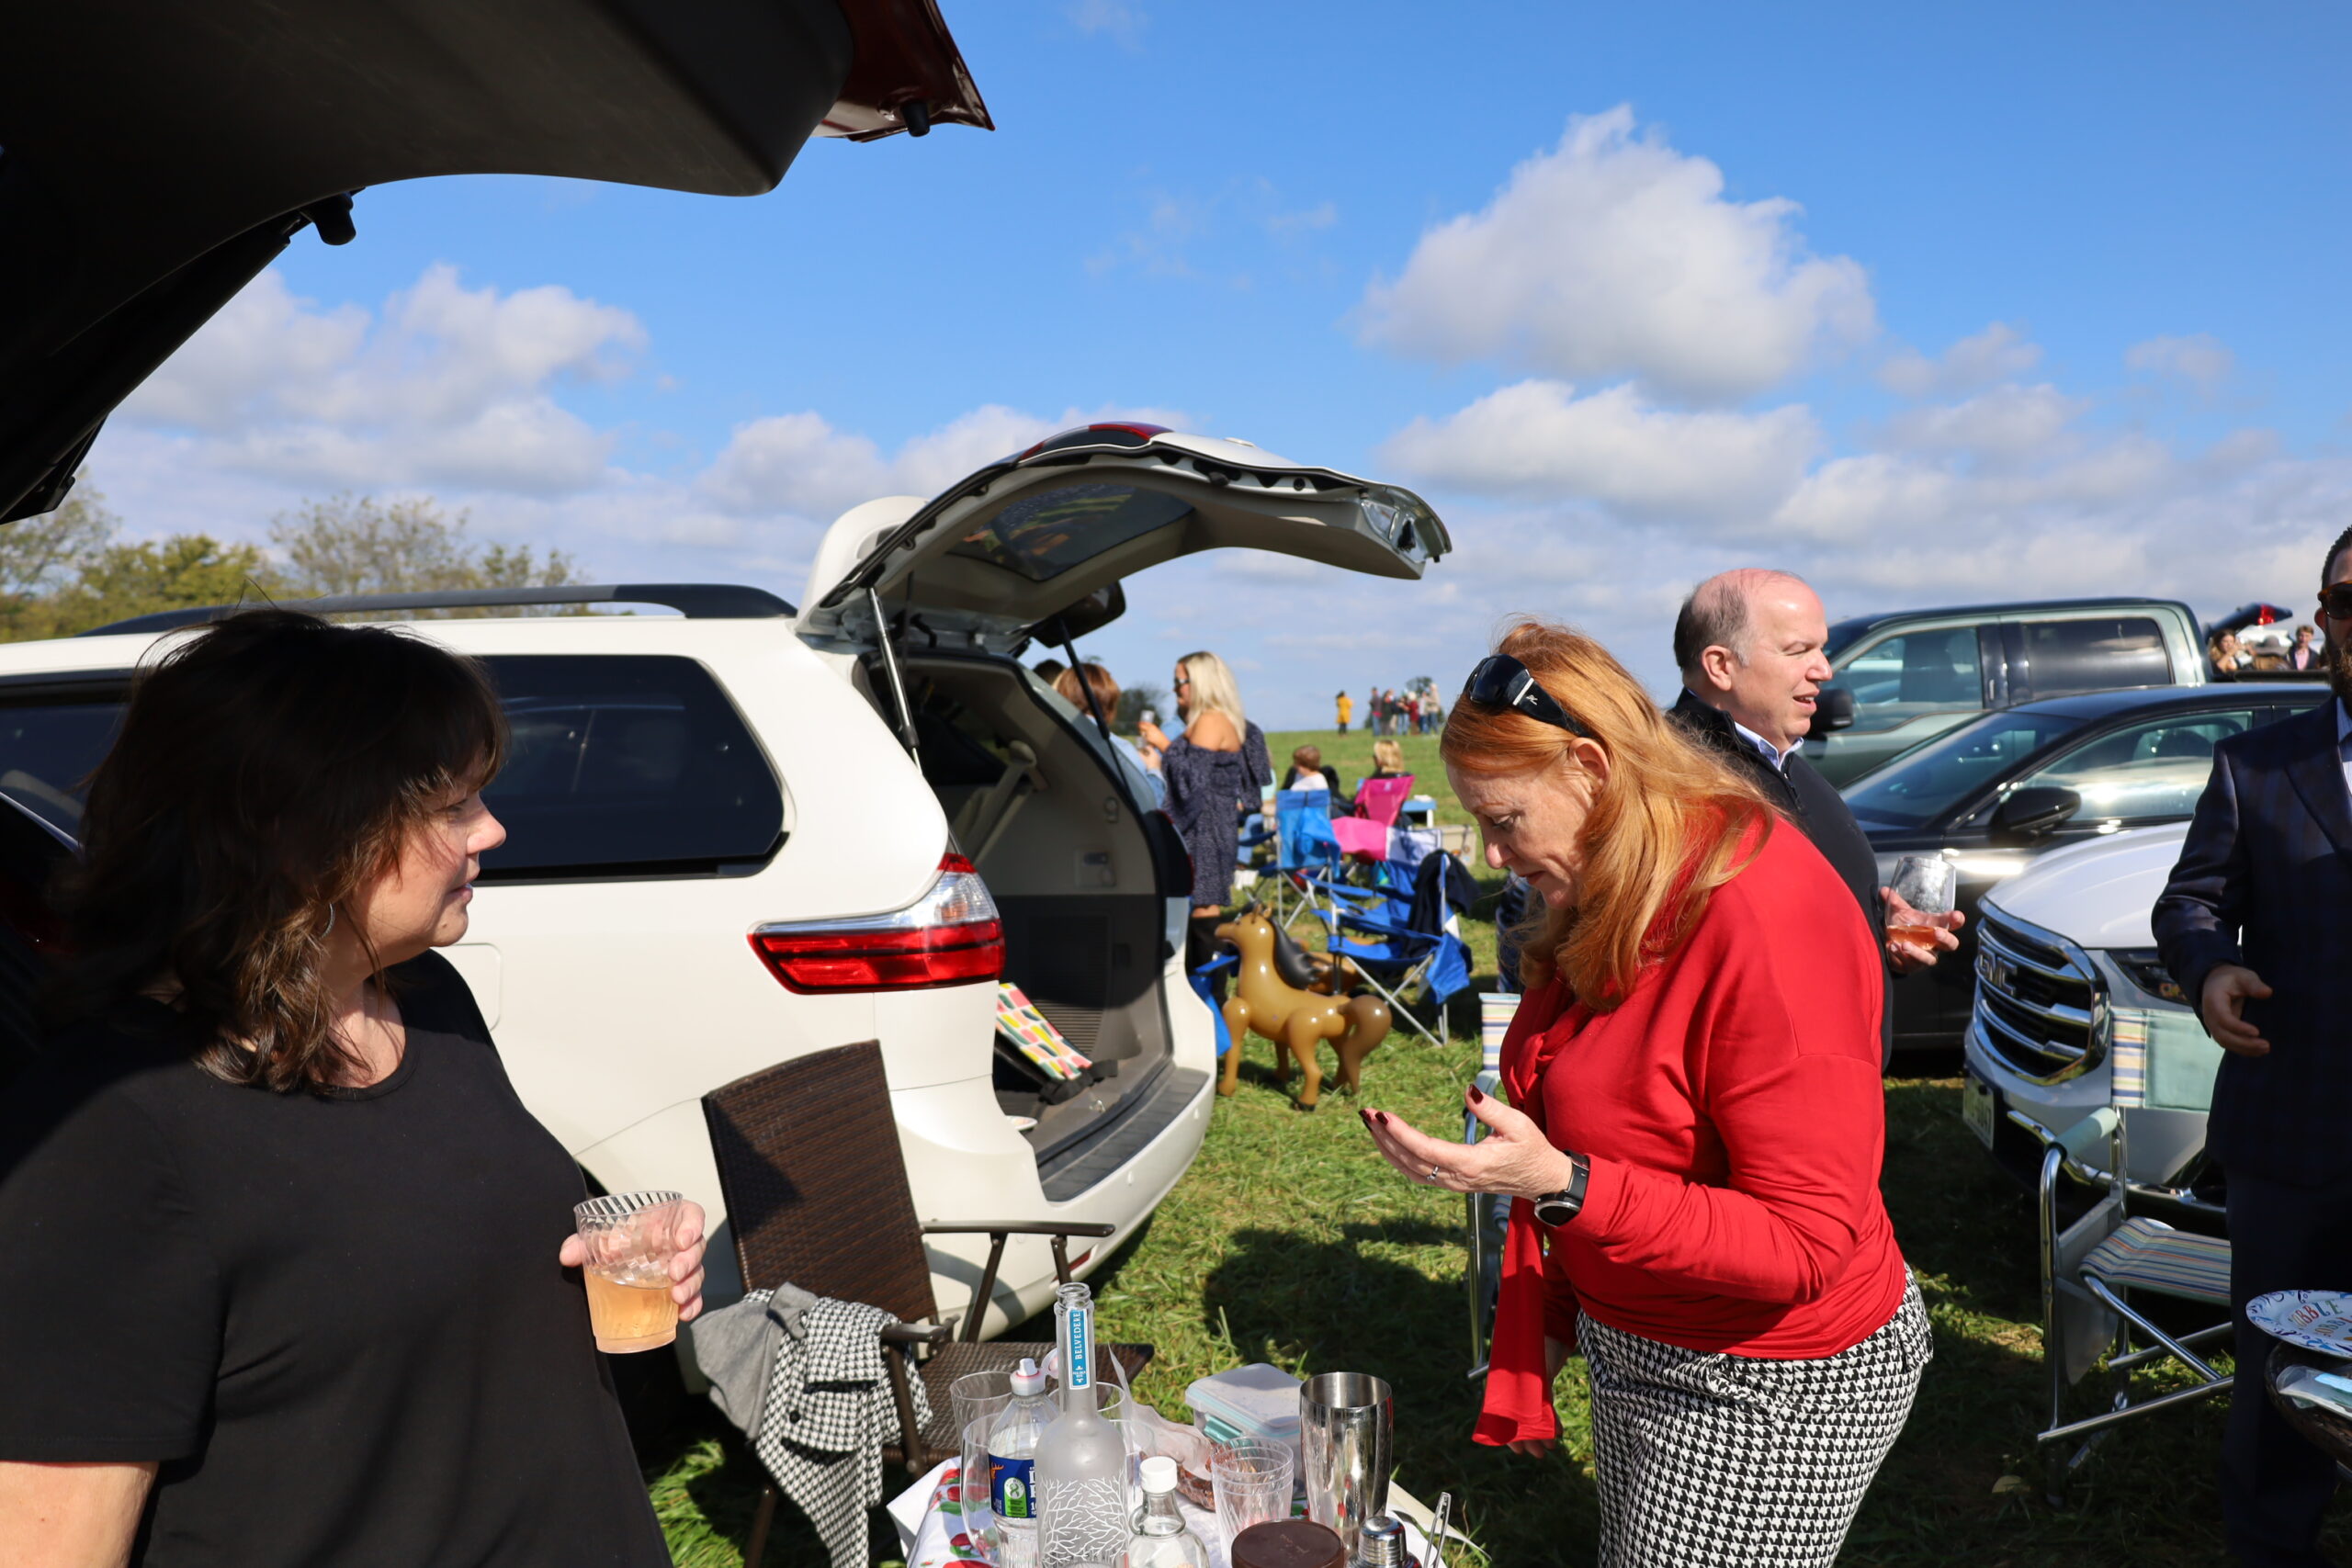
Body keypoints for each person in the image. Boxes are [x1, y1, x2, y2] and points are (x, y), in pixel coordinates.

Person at [0, 611, 705, 1568]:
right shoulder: (117, 1131)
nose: (491, 829)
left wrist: (603, 1253)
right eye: (453, 805)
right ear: (303, 830)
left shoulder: (426, 1003)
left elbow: (401, 1274)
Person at [1360, 620, 1928, 1567]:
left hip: (1765, 1382)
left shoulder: (1761, 915)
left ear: (1589, 766)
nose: (1495, 857)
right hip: (1650, 1346)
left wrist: (1563, 1185)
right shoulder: (1618, 876)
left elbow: (1805, 1242)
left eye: (1503, 821)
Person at [2154, 525, 2352, 1567]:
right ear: (2323, 620)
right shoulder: (2255, 764)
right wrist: (2207, 966)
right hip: (2293, 1132)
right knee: (2282, 1377)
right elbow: (2189, 901)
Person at [1668, 569, 1962, 1065]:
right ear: (1720, 665)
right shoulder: (1675, 783)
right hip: (1760, 1107)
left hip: (1834, 1090)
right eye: (1797, 651)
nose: (1824, 669)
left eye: (1821, 650)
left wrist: (1878, 940)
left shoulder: (1782, 763)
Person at [1136, 651, 1271, 963]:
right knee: (1203, 903)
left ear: (1199, 683)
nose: (1174, 689)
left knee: (1204, 905)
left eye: (1179, 682)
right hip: (1214, 824)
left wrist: (1162, 746)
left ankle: (1207, 988)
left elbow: (1193, 780)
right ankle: (1208, 985)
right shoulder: (1220, 719)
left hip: (1206, 828)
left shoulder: (1210, 721)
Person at [1055, 661, 1165, 807]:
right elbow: (1149, 806)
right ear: (1110, 703)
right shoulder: (1122, 750)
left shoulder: (1051, 737)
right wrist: (1154, 770)